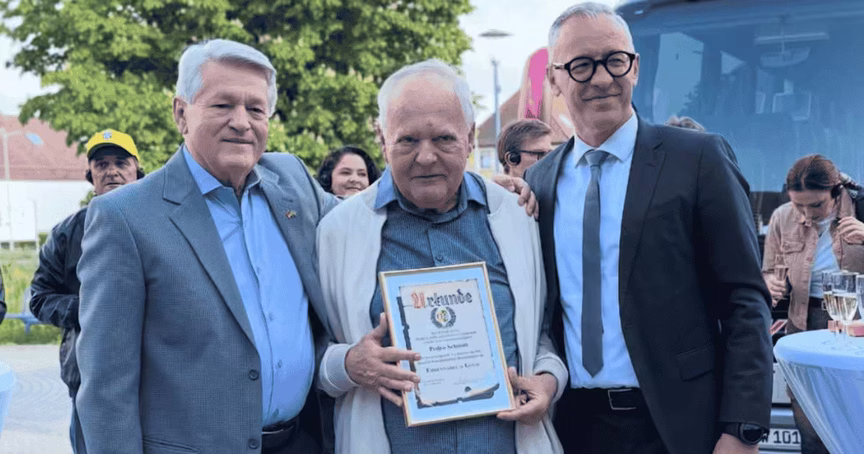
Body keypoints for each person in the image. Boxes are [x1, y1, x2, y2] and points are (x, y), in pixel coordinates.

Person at [524, 3, 773, 453]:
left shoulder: (698, 159)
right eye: (581, 65)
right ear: (555, 80)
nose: (602, 78)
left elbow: (745, 299)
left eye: (615, 60)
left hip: (678, 429)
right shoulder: (539, 182)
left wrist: (742, 429)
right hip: (572, 427)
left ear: (635, 68)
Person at [75, 39, 340, 454]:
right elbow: (106, 386)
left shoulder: (292, 180)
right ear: (181, 114)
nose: (242, 122)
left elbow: (363, 225)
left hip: (302, 441)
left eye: (256, 109)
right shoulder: (124, 217)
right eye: (223, 105)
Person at [316, 59, 567, 454]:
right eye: (407, 140)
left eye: (444, 139)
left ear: (470, 137)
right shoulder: (338, 231)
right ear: (382, 138)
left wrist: (549, 381)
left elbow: (540, 332)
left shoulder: (516, 216)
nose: (426, 156)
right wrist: (347, 364)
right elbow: (303, 352)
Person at [30, 128, 144, 454]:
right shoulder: (66, 234)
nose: (111, 171)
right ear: (90, 175)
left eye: (120, 162)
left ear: (137, 170)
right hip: (88, 378)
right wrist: (90, 308)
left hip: (156, 376)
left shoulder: (166, 223)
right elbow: (39, 297)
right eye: (101, 164)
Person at [762, 154, 864, 454]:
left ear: (836, 192)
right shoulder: (781, 217)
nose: (807, 214)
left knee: (855, 422)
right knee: (810, 426)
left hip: (857, 328)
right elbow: (769, 270)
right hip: (803, 324)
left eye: (816, 205)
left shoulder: (861, 208)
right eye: (798, 205)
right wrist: (770, 284)